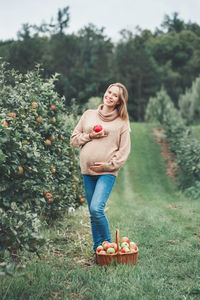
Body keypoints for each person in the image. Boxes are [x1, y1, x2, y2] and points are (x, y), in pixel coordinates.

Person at [70, 83, 131, 257]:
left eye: (115, 95)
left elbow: (124, 150)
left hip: (107, 172)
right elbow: (74, 140)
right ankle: (99, 252)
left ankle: (109, 247)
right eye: (109, 92)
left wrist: (107, 166)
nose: (110, 96)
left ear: (119, 102)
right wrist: (90, 135)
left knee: (97, 208)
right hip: (87, 171)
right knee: (92, 213)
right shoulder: (88, 115)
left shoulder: (122, 122)